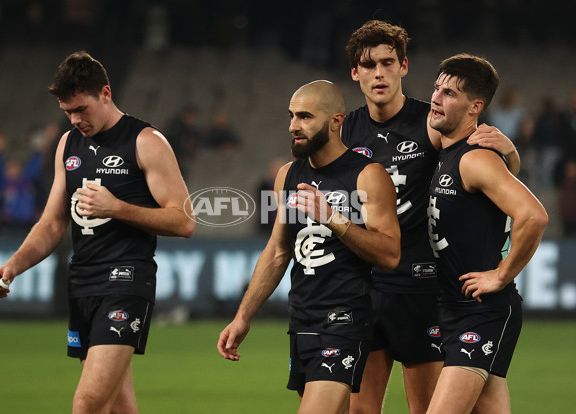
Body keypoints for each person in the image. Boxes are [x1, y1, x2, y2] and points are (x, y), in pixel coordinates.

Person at [0, 51, 195, 414]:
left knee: (87, 403)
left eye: (81, 109)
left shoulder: (145, 141)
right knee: (119, 408)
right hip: (83, 281)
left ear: (105, 93)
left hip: (126, 281)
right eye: (67, 112)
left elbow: (184, 221)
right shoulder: (68, 145)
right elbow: (53, 222)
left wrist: (118, 208)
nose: (75, 119)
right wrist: (14, 265)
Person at [341, 20, 521, 414]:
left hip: (420, 289)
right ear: (355, 73)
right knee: (360, 411)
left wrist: (510, 153)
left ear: (403, 66)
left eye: (388, 62)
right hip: (364, 287)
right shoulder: (345, 130)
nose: (379, 73)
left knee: (424, 408)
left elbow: (483, 167)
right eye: (368, 65)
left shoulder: (433, 122)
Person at [217, 80, 401, 414]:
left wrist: (334, 219)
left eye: (305, 117)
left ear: (335, 121)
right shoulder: (287, 176)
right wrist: (243, 317)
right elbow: (277, 252)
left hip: (344, 319)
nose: (293, 126)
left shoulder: (367, 175)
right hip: (301, 319)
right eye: (291, 116)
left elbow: (390, 254)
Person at [426, 53, 548, 414]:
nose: (436, 97)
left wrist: (502, 274)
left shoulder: (474, 159)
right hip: (453, 307)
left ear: (474, 107)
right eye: (436, 87)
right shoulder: (448, 152)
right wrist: (511, 151)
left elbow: (534, 216)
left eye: (449, 93)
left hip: (481, 312)